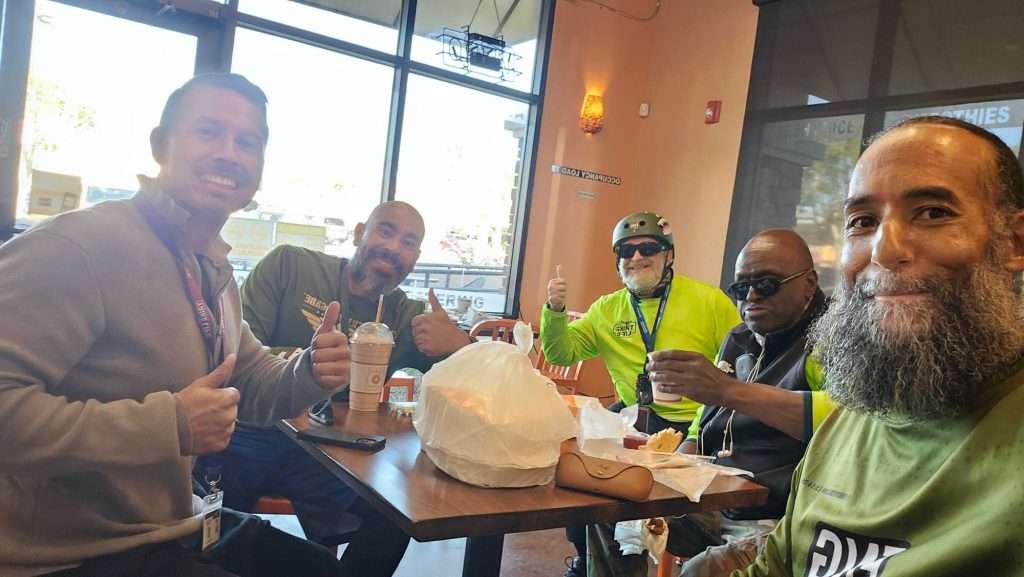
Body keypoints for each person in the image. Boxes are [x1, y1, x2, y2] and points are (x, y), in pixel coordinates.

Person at [0, 73, 353, 576]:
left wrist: (311, 371)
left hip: (173, 525)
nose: (229, 153)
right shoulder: (79, 247)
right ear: (160, 146)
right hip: (67, 554)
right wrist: (171, 424)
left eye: (246, 142)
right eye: (208, 132)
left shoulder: (209, 266)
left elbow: (249, 383)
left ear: (257, 171)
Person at [739, 116, 1024, 576]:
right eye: (863, 221)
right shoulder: (852, 416)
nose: (883, 250)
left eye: (933, 212)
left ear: (1013, 241)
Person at [194, 200, 472, 574]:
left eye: (408, 242)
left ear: (416, 258)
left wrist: (460, 345)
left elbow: (478, 386)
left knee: (394, 514)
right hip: (246, 433)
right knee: (210, 531)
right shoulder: (289, 265)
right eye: (385, 231)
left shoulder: (408, 316)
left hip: (327, 451)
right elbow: (236, 349)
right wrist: (305, 360)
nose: (393, 248)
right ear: (360, 233)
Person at [586, 229, 834, 577]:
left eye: (767, 284)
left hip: (780, 517)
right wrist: (666, 478)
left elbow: (845, 419)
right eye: (740, 287)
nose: (750, 296)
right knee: (610, 507)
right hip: (715, 498)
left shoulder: (830, 341)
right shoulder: (740, 338)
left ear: (808, 283)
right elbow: (705, 421)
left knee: (703, 571)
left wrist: (726, 389)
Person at [541, 211, 741, 577]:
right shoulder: (607, 309)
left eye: (648, 247)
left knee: (630, 498)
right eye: (625, 252)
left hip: (697, 428)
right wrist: (555, 311)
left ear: (669, 255)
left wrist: (700, 427)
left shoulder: (709, 301)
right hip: (634, 424)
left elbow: (742, 365)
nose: (636, 258)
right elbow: (560, 353)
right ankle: (589, 562)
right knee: (583, 470)